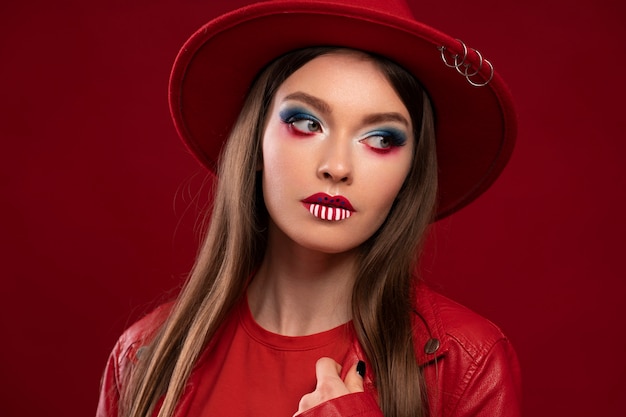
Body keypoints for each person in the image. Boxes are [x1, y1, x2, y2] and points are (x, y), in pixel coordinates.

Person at [97, 0, 521, 416]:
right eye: (306, 122)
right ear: (256, 140)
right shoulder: (142, 357)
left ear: (411, 170)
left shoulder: (468, 363)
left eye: (381, 139)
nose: (336, 167)